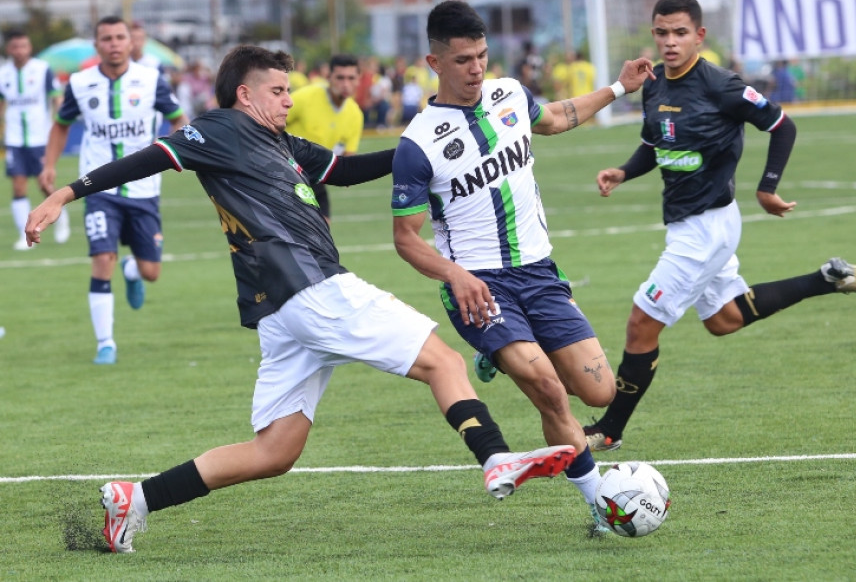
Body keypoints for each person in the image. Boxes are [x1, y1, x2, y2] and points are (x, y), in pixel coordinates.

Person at [25, 44, 576, 554]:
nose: (289, 100)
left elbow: (347, 171)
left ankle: (135, 500)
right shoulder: (219, 129)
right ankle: (495, 457)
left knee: (275, 452)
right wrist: (65, 194)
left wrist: (419, 149)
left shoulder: (283, 143)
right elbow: (147, 158)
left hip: (281, 309)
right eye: (278, 91)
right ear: (245, 94)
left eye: (289, 90)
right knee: (444, 362)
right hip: (311, 287)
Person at [390, 0, 654, 533]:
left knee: (599, 392)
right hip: (480, 287)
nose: (476, 69)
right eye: (462, 60)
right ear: (434, 62)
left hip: (539, 273)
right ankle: (600, 506)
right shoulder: (417, 144)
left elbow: (555, 118)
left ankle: (502, 354)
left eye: (482, 56)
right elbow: (405, 239)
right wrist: (456, 276)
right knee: (550, 392)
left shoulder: (509, 94)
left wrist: (618, 88)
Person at [580, 0, 856, 453]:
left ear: (699, 35)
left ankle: (609, 430)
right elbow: (655, 144)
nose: (670, 42)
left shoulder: (721, 85)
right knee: (723, 318)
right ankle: (827, 278)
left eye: (680, 33)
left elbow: (782, 125)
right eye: (662, 33)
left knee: (642, 323)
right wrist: (623, 171)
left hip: (707, 228)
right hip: (689, 224)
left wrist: (767, 188)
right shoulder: (653, 84)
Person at [40, 15, 188, 365]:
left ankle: (132, 268)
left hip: (145, 188)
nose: (114, 44)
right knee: (101, 259)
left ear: (130, 42)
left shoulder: (151, 80)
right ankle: (105, 343)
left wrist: (179, 149)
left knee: (151, 273)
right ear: (97, 45)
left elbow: (178, 118)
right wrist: (49, 164)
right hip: (97, 188)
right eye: (106, 39)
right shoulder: (80, 83)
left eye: (120, 37)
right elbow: (61, 125)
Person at [0, 29, 67, 250]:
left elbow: (56, 97)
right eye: (15, 47)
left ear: (29, 47)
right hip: (14, 139)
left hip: (40, 137)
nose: (20, 51)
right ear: (9, 49)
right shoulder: (3, 73)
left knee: (44, 184)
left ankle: (61, 217)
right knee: (18, 187)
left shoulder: (42, 69)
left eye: (24, 46)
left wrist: (59, 121)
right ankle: (25, 235)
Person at [285, 54, 363, 222]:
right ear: (329, 77)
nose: (346, 84)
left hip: (315, 177)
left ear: (358, 80)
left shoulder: (355, 114)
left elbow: (348, 161)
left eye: (351, 78)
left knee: (323, 227)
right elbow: (268, 123)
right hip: (286, 173)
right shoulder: (304, 98)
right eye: (340, 78)